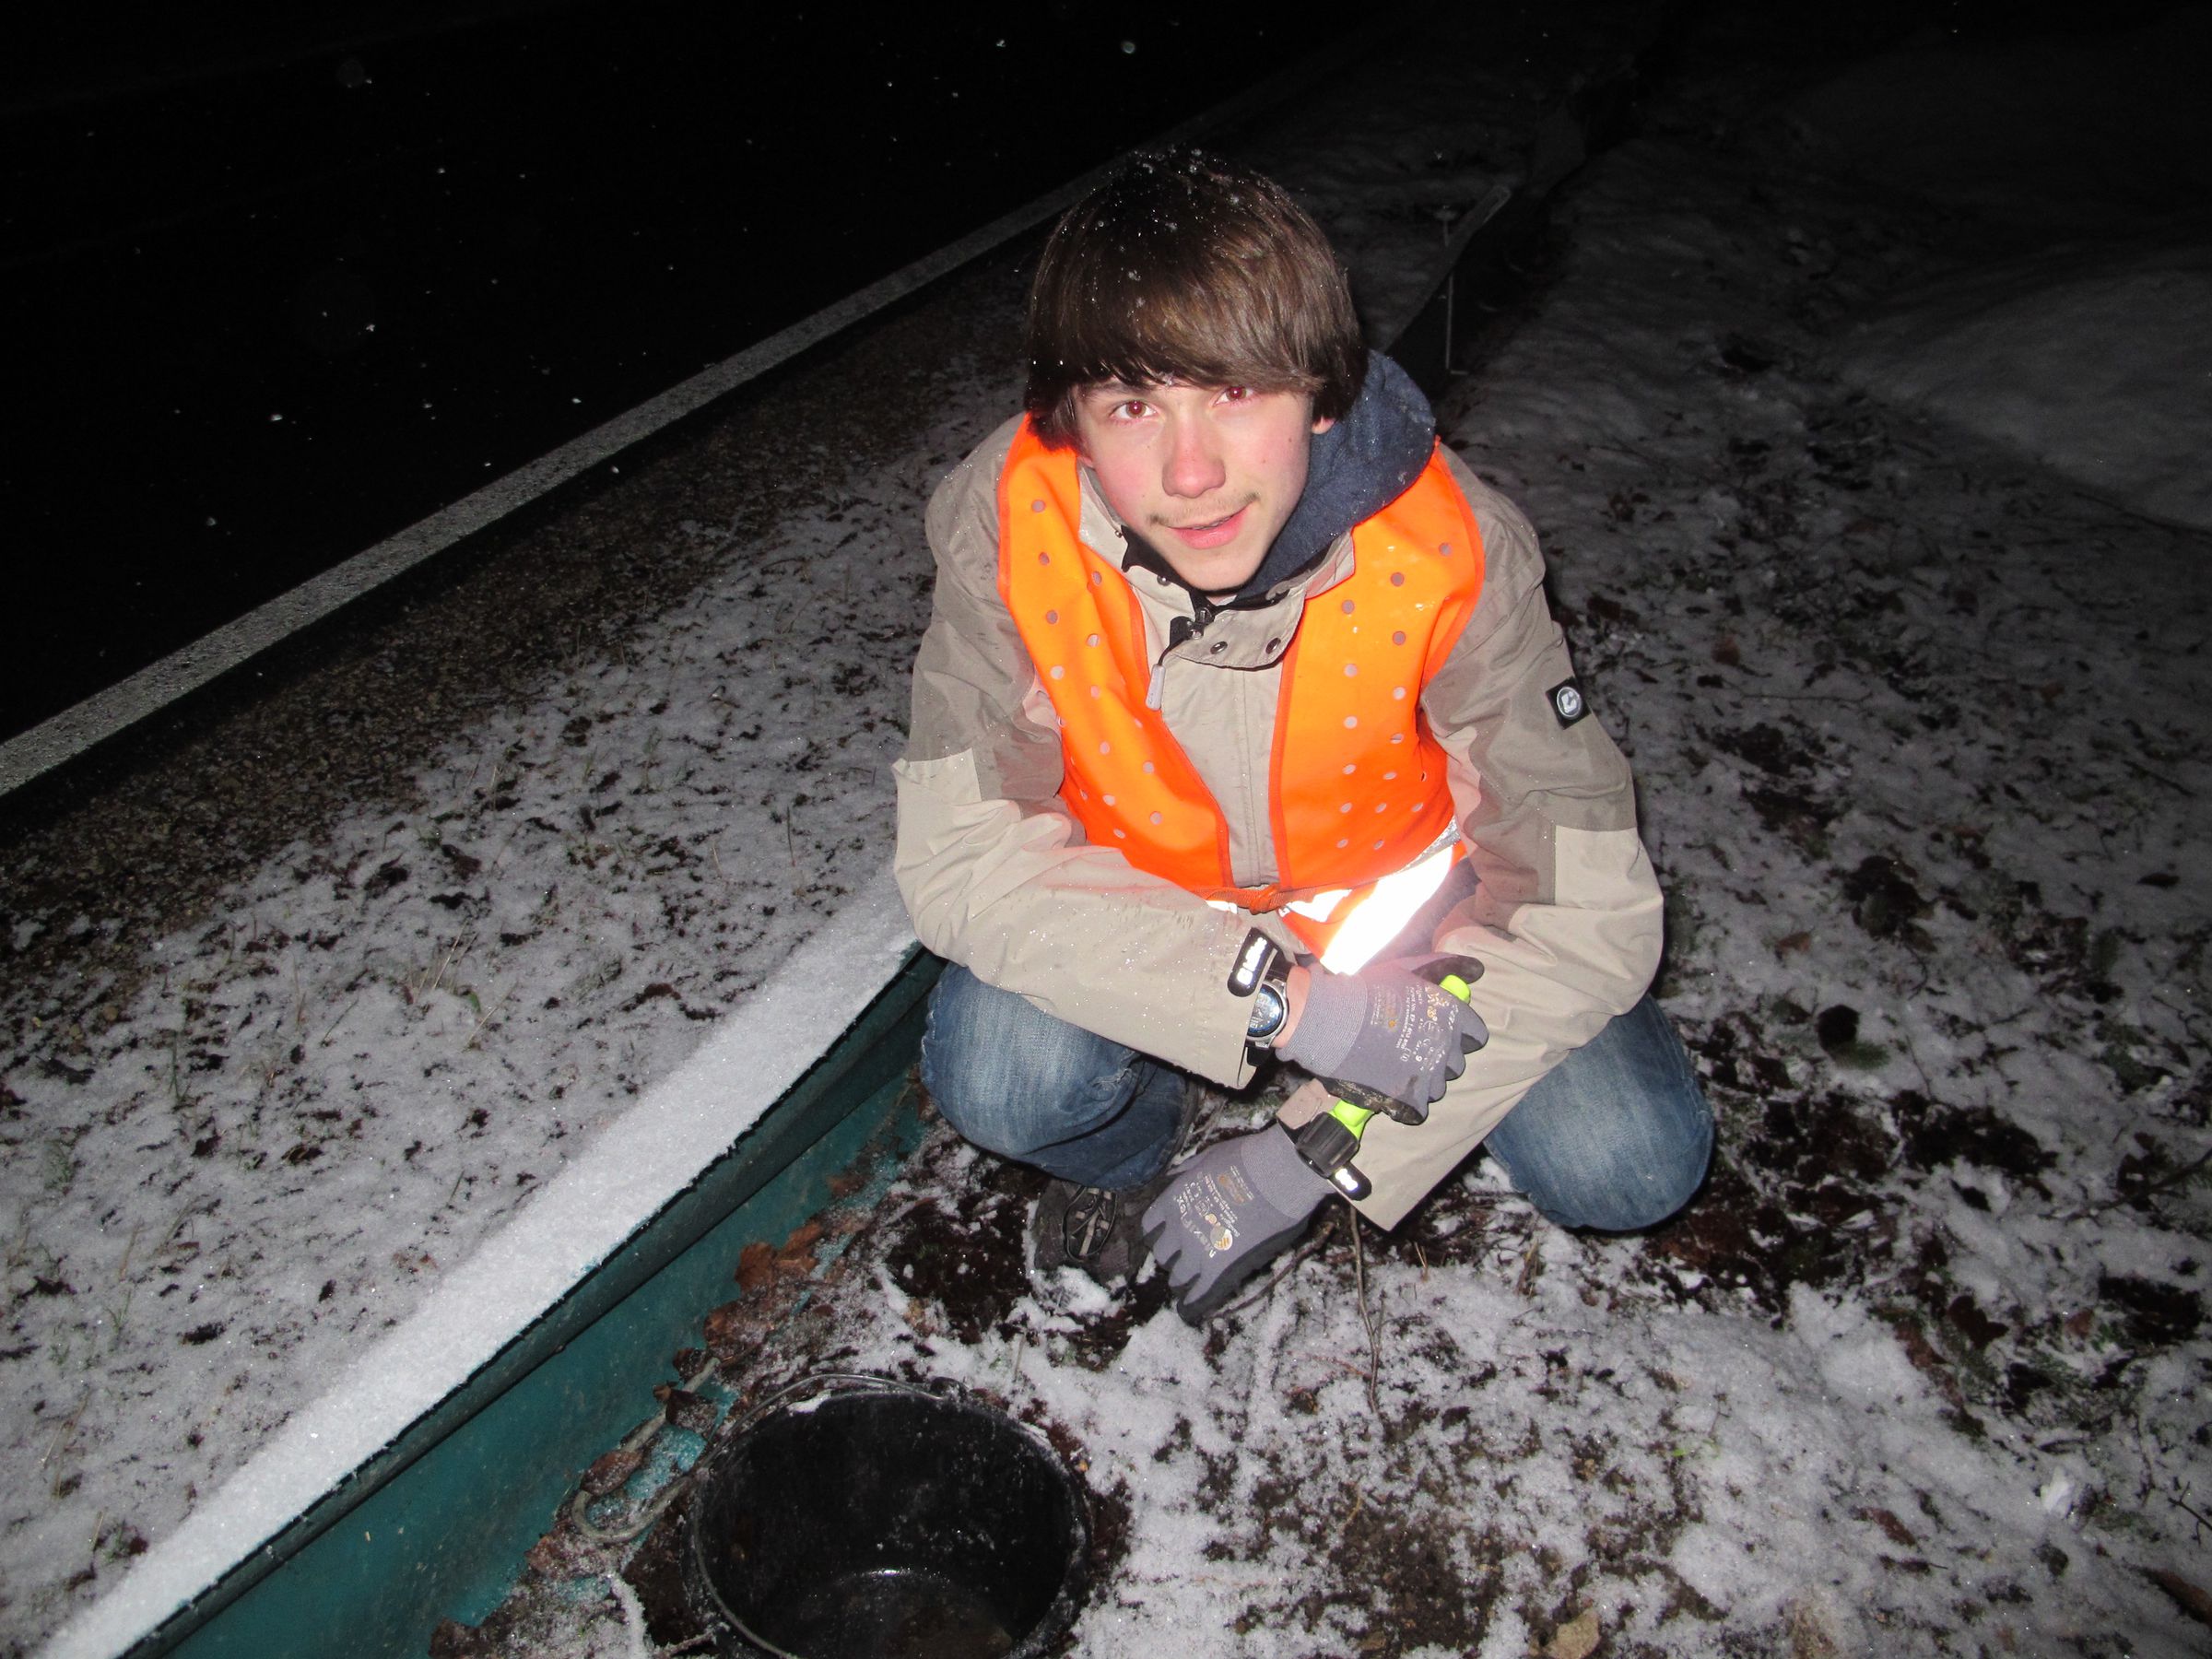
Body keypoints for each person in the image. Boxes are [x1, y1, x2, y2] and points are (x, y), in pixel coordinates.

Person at [894, 147, 1711, 1324]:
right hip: (1151, 910)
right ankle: (1141, 1150)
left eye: (1236, 392)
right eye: (1134, 402)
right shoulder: (1007, 522)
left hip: (1412, 935)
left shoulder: (1453, 548)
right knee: (1002, 1076)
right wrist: (1288, 1008)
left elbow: (1588, 904)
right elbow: (966, 849)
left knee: (1629, 1160)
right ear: (1068, 416)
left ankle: (1316, 1092)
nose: (1189, 469)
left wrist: (1310, 1146)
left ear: (1321, 393)